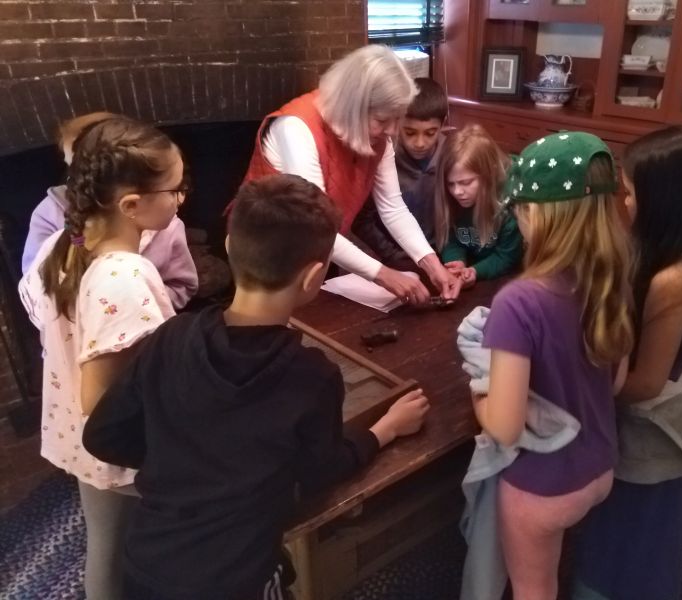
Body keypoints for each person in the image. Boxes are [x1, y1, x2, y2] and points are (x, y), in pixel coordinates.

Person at [83, 174, 431, 600]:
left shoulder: (169, 337)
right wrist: (385, 430)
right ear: (313, 278)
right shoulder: (312, 376)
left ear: (229, 248)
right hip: (240, 579)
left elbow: (102, 436)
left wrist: (180, 456)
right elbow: (321, 470)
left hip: (146, 566)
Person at [573, 126, 682, 600]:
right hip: (675, 396)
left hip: (656, 433)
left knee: (629, 549)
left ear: (668, 200)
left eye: (629, 194)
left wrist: (583, 387)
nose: (623, 204)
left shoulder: (674, 281)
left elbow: (645, 383)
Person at [17, 117, 182, 599]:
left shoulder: (60, 247)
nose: (180, 198)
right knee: (166, 549)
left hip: (80, 443)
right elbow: (102, 396)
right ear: (132, 205)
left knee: (105, 548)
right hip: (126, 452)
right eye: (173, 189)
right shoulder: (125, 275)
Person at [469, 132, 633, 600]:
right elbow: (616, 382)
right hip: (600, 466)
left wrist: (480, 397)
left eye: (518, 211)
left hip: (541, 489)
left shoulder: (518, 302)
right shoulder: (612, 277)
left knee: (534, 588)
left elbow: (503, 426)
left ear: (534, 214)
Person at [238, 44, 460, 305]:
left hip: (316, 258)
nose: (391, 131)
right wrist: (383, 274)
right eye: (382, 120)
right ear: (354, 105)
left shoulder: (377, 136)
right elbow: (315, 226)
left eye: (396, 120)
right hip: (265, 261)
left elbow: (393, 208)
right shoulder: (296, 130)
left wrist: (432, 263)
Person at [21, 112, 198, 310]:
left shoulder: (165, 223)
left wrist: (148, 299)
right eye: (75, 166)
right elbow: (41, 289)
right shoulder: (53, 227)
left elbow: (183, 285)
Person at [350, 77, 448, 266]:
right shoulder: (383, 158)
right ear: (397, 123)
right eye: (410, 132)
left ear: (443, 125)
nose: (420, 143)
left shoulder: (452, 155)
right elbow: (361, 220)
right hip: (396, 259)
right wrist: (393, 255)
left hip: (446, 256)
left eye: (430, 133)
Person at [436, 124, 523, 288]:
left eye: (466, 182)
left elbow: (507, 257)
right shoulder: (451, 201)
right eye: (450, 184)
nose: (457, 192)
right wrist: (456, 263)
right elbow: (450, 240)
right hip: (471, 270)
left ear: (490, 174)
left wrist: (476, 272)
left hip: (504, 279)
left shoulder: (509, 207)